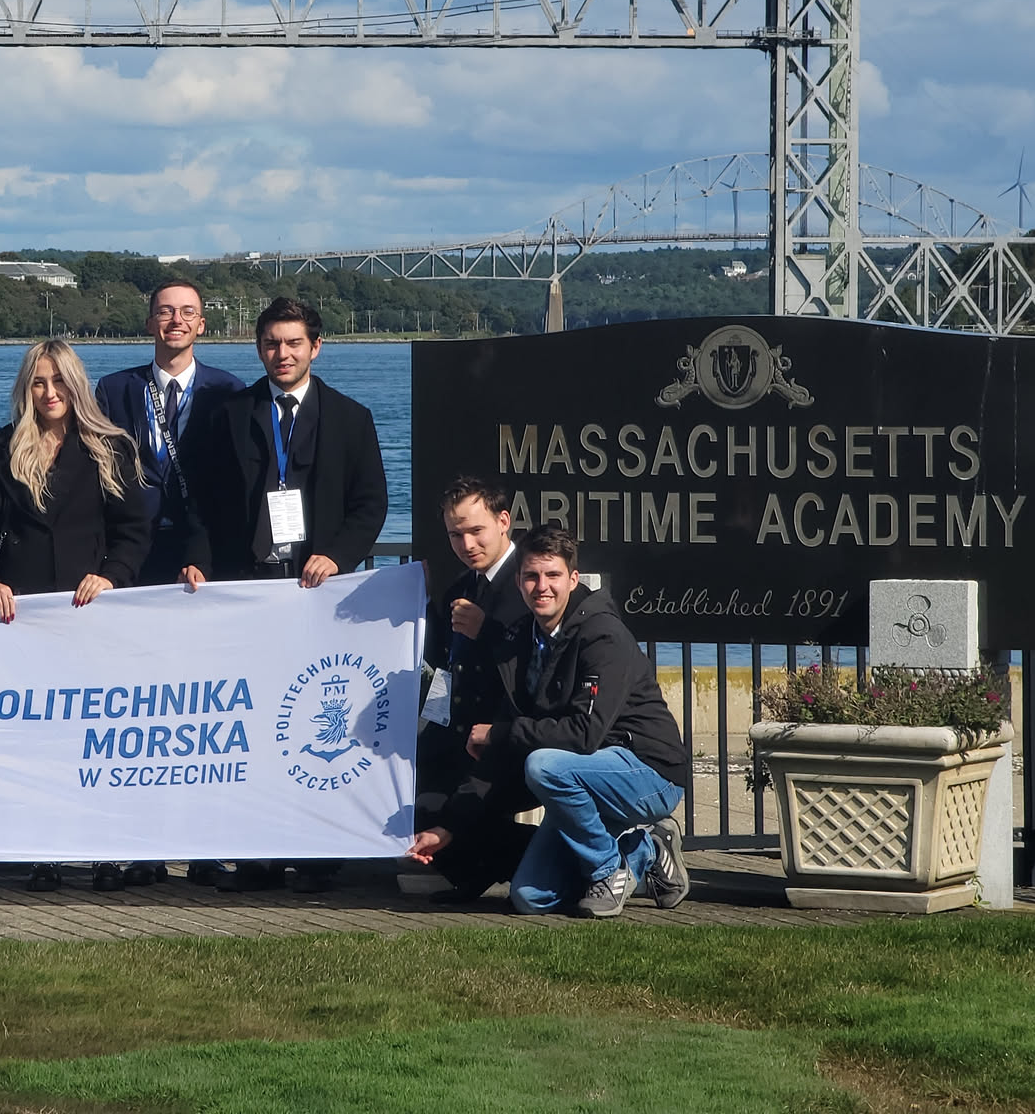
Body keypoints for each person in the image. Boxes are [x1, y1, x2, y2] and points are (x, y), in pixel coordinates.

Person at [183, 296, 388, 894]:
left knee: (314, 720)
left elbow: (370, 505)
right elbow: (199, 502)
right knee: (253, 722)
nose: (282, 353)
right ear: (258, 348)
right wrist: (199, 560)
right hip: (247, 592)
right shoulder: (227, 415)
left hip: (317, 594)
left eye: (294, 343)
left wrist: (339, 557)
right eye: (272, 343)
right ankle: (256, 851)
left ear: (316, 347)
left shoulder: (352, 418)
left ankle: (318, 853)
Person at [0, 337, 152, 892]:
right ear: (26, 389)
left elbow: (135, 530)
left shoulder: (111, 448)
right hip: (23, 619)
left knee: (96, 738)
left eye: (59, 380)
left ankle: (106, 854)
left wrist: (111, 575)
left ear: (75, 384)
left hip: (92, 617)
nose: (49, 392)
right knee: (38, 742)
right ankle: (44, 853)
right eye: (38, 382)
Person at [407, 526, 691, 917]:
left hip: (647, 771)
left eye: (552, 575)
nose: (542, 587)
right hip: (579, 776)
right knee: (530, 896)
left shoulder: (602, 635)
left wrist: (501, 734)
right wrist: (447, 828)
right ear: (519, 582)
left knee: (543, 765)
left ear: (573, 579)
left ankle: (607, 869)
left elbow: (584, 735)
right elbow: (503, 745)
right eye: (531, 576)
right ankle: (648, 851)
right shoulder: (522, 639)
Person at [94, 278, 244, 888]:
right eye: (165, 312)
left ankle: (205, 846)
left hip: (203, 565)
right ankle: (144, 846)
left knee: (202, 710)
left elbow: (234, 485)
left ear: (202, 324)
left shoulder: (228, 392)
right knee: (142, 708)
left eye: (187, 313)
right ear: (149, 322)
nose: (175, 321)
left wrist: (207, 555)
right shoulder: (114, 390)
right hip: (133, 560)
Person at [417, 477, 534, 901]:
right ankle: (479, 872)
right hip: (461, 736)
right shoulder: (462, 587)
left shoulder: (533, 581)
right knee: (408, 801)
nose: (467, 544)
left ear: (503, 522)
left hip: (514, 738)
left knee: (449, 813)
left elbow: (541, 666)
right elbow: (442, 663)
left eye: (476, 530)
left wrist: (488, 631)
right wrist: (420, 600)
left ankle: (572, 857)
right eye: (455, 534)